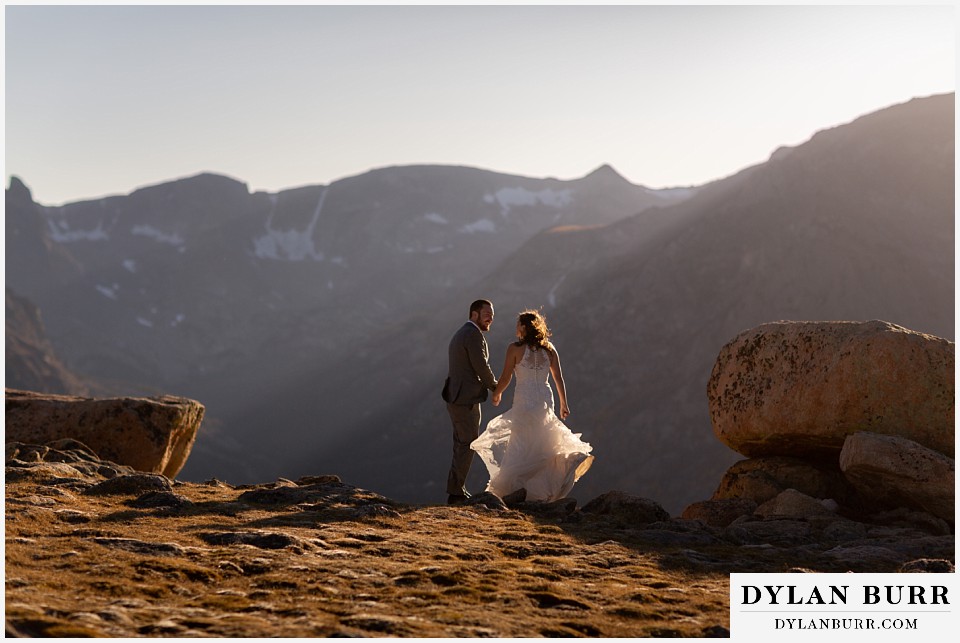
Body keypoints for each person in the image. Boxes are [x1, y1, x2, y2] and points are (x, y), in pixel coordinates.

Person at [470, 309, 594, 502]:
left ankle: (519, 489)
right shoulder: (549, 349)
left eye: (518, 324)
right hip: (545, 397)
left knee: (522, 440)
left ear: (524, 327)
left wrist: (497, 393)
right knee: (544, 439)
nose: (516, 328)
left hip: (524, 398)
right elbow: (558, 378)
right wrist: (564, 403)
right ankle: (540, 489)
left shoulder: (514, 348)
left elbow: (505, 377)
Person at [442, 299, 498, 505]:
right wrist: (496, 386)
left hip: (456, 397)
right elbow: (481, 366)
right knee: (467, 443)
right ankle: (456, 493)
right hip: (465, 400)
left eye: (492, 314)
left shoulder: (462, 333)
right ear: (474, 314)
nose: (491, 318)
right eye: (487, 314)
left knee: (461, 443)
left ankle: (456, 488)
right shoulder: (473, 335)